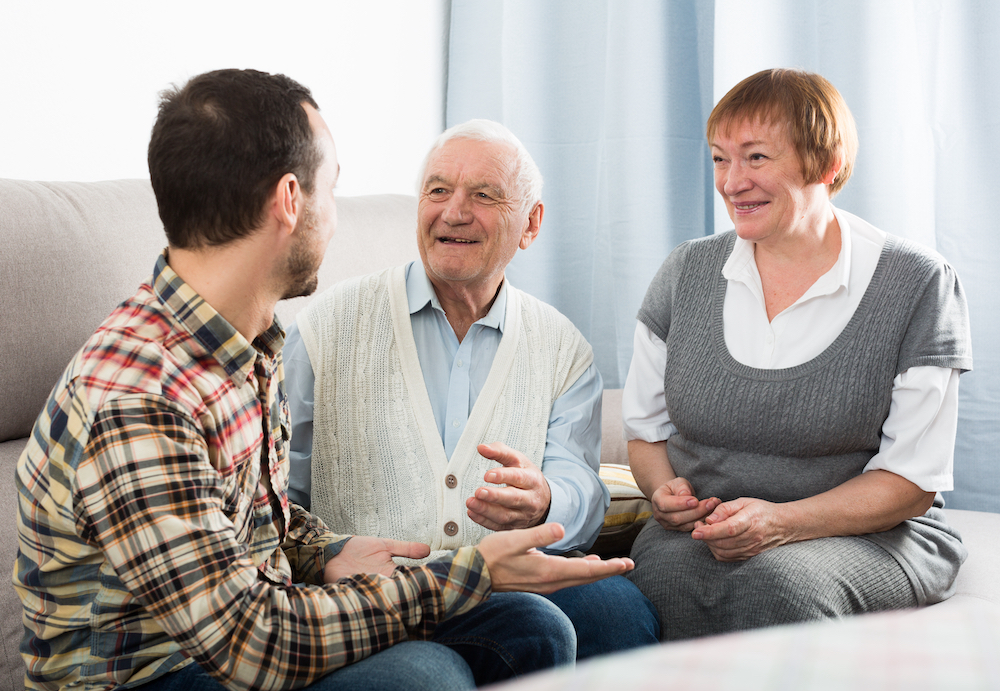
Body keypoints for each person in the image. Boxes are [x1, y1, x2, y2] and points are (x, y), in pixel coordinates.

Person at [12, 69, 636, 691]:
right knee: (425, 676)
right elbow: (252, 642)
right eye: (331, 190)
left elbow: (261, 526)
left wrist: (327, 552)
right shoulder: (139, 398)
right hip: (154, 673)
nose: (337, 221)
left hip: (237, 634)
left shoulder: (243, 349)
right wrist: (468, 574)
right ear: (290, 200)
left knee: (530, 627)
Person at [283, 119, 660, 659]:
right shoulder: (324, 328)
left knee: (620, 616)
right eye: (438, 191)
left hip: (514, 576)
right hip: (376, 591)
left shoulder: (562, 346)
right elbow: (277, 496)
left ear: (531, 225)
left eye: (483, 195)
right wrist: (323, 558)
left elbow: (579, 479)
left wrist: (545, 501)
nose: (454, 212)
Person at [623, 68, 973, 640]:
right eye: (719, 159)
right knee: (646, 586)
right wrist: (663, 491)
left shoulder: (916, 282)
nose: (732, 182)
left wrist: (782, 522)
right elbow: (645, 434)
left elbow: (912, 481)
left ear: (826, 165)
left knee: (780, 589)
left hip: (871, 535)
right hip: (709, 530)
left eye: (756, 157)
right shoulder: (687, 272)